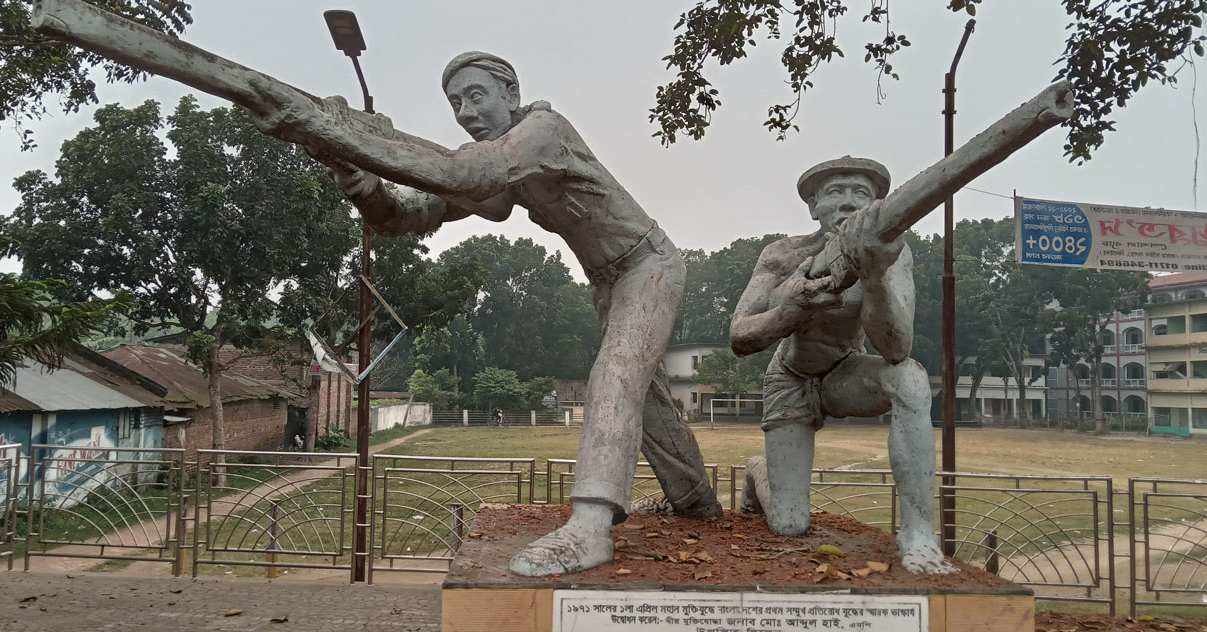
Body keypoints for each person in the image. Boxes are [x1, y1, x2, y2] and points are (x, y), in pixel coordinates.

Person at [253, 52, 721, 576]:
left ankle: (591, 527)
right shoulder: (500, 164)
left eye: (476, 96)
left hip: (648, 264)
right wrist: (354, 173)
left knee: (616, 374)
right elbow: (402, 217)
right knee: (648, 402)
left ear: (511, 94)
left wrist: (340, 133)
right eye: (456, 103)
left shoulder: (543, 131)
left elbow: (466, 173)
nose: (465, 112)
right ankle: (696, 502)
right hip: (608, 281)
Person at [729, 156, 953, 574]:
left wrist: (874, 276)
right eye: (835, 192)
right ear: (813, 205)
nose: (849, 203)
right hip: (791, 376)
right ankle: (759, 471)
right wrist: (790, 309)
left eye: (861, 193)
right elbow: (740, 336)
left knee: (910, 379)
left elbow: (896, 348)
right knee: (789, 525)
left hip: (844, 372)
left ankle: (919, 534)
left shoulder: (893, 254)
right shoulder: (781, 255)